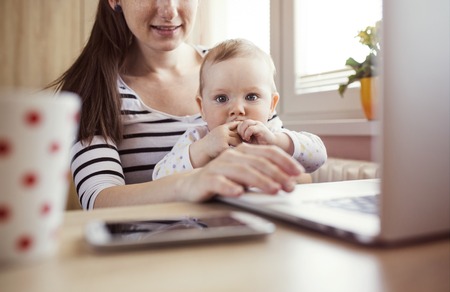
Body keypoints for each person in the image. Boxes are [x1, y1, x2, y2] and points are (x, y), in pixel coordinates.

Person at [49, 0, 326, 210]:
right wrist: (192, 182)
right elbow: (98, 202)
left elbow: (299, 177)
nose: (169, 10)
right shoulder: (90, 88)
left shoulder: (231, 68)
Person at [153, 39, 326, 180]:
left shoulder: (272, 133)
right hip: (211, 220)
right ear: (202, 108)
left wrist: (277, 142)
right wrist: (203, 149)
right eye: (221, 98)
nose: (237, 109)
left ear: (271, 105)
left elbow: (318, 158)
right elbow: (159, 178)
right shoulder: (198, 138)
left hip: (268, 219)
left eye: (251, 97)